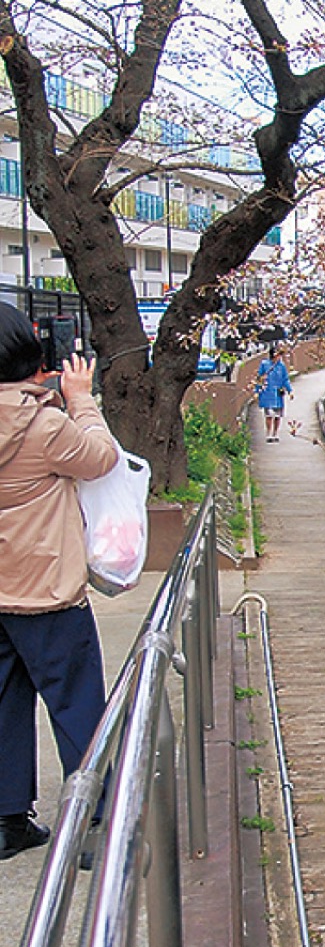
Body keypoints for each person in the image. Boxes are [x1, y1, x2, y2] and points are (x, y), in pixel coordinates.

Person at [0, 308, 118, 861]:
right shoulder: (43, 425)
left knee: (3, 706)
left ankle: (8, 822)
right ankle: (93, 823)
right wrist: (80, 398)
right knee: (76, 705)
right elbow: (101, 458)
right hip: (46, 590)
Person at [255, 345, 293, 441]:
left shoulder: (281, 366)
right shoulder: (264, 364)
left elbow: (285, 379)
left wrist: (290, 391)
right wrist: (257, 390)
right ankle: (268, 433)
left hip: (278, 392)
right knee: (269, 415)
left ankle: (275, 433)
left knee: (277, 416)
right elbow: (259, 378)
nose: (278, 357)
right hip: (267, 392)